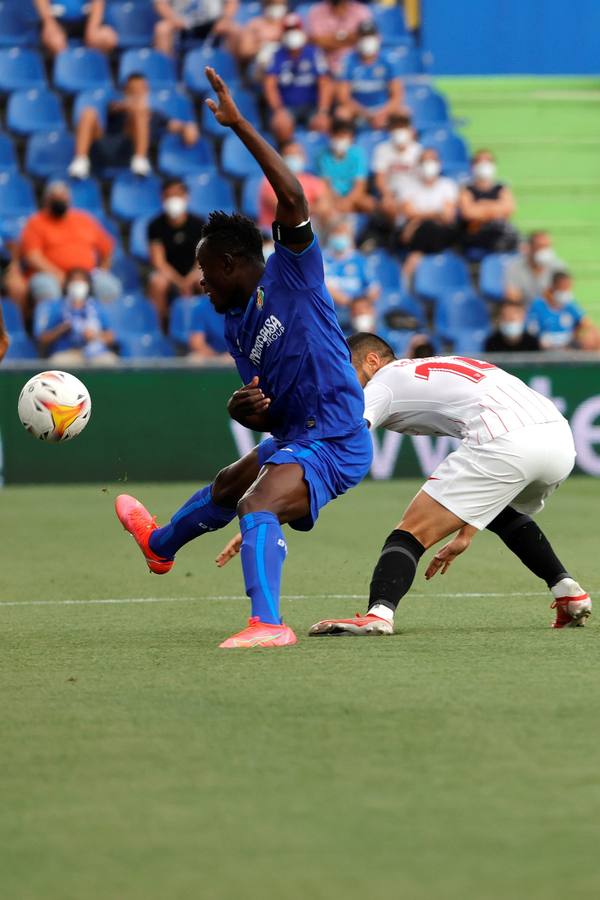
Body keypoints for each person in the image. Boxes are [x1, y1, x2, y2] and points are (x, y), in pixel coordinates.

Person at [115, 66, 372, 650]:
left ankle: (268, 624)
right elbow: (267, 408)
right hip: (297, 433)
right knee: (232, 483)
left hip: (335, 437)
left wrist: (239, 126)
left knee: (257, 501)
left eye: (205, 272)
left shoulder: (293, 272)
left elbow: (294, 197)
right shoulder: (235, 324)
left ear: (232, 263)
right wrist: (246, 408)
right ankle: (159, 547)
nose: (200, 283)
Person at [304, 334, 591, 634]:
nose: (340, 382)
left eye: (345, 369)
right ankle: (568, 592)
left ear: (372, 361)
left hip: (505, 437)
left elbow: (347, 432)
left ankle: (379, 614)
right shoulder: (439, 364)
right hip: (559, 437)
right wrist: (467, 532)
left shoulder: (383, 382)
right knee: (503, 512)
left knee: (410, 533)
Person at [68, 73, 200, 180]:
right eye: (132, 90)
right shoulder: (116, 107)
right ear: (125, 91)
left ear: (146, 90)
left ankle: (140, 160)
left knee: (139, 114)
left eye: (140, 89)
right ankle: (80, 161)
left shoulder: (156, 115)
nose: (137, 93)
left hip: (128, 152)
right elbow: (115, 108)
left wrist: (187, 127)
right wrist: (132, 106)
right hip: (106, 148)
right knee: (88, 113)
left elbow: (176, 126)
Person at [19, 181, 121, 306]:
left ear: (69, 199)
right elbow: (33, 256)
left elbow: (107, 248)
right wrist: (57, 274)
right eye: (55, 197)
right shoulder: (36, 222)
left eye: (63, 196)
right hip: (50, 275)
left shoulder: (84, 219)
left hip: (86, 274)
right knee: (47, 289)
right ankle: (54, 325)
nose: (60, 200)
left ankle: (101, 323)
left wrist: (102, 270)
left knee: (109, 288)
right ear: (46, 200)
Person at [264, 14, 332, 144]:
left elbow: (325, 83)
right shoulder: (276, 54)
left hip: (312, 106)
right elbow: (269, 85)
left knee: (324, 125)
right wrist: (278, 110)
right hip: (287, 107)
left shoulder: (314, 53)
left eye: (295, 30)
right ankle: (286, 157)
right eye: (289, 31)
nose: (292, 34)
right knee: (281, 125)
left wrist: (323, 111)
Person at [147, 179, 206, 325]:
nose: (173, 199)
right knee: (157, 283)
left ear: (186, 197)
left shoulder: (198, 223)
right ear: (162, 198)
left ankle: (208, 324)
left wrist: (190, 278)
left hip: (193, 272)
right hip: (168, 274)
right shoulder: (155, 226)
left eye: (177, 195)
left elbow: (203, 256)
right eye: (169, 195)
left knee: (208, 280)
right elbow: (158, 262)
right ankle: (161, 328)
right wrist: (180, 282)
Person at [33, 268, 117, 365]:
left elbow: (111, 337)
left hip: (95, 352)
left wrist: (94, 336)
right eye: (74, 280)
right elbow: (42, 339)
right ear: (67, 284)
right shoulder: (56, 307)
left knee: (109, 361)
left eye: (82, 281)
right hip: (67, 352)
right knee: (57, 362)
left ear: (88, 285)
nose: (78, 284)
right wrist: (63, 328)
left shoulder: (96, 306)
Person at [399, 147, 459, 281]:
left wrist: (416, 221)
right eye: (424, 161)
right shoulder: (408, 186)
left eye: (432, 160)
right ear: (418, 165)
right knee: (427, 228)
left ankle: (414, 260)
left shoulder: (448, 185)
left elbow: (448, 216)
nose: (429, 164)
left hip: (435, 232)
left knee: (429, 228)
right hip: (418, 234)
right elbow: (409, 213)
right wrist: (435, 213)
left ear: (439, 163)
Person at [336, 21, 403, 130]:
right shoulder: (348, 61)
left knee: (402, 113)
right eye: (363, 37)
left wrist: (382, 113)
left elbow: (397, 95)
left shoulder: (388, 60)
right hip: (358, 110)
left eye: (370, 36)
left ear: (378, 38)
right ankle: (348, 144)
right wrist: (366, 114)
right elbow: (343, 97)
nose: (367, 41)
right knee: (342, 114)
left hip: (383, 108)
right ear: (357, 40)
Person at [258, 141, 330, 234]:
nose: (294, 158)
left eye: (297, 154)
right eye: (290, 155)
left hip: (308, 233)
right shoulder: (270, 181)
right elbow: (288, 209)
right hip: (276, 234)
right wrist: (313, 208)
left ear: (304, 157)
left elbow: (325, 207)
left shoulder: (313, 181)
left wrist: (302, 208)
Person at [459, 149, 518, 258]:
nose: (484, 165)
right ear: (473, 166)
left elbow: (509, 209)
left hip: (498, 232)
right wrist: (496, 208)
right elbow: (468, 213)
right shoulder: (466, 189)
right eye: (479, 161)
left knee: (507, 232)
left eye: (488, 161)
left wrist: (481, 206)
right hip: (475, 234)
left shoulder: (502, 187)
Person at [323, 220, 378, 331]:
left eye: (343, 233)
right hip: (333, 312)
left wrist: (363, 304)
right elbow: (327, 289)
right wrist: (352, 304)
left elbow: (374, 288)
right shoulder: (322, 259)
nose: (339, 237)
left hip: (359, 310)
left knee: (366, 321)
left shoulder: (359, 259)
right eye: (336, 233)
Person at [525, 271, 600, 351]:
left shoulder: (570, 304)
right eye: (563, 288)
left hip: (568, 349)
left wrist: (579, 335)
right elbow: (530, 331)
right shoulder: (538, 305)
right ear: (553, 287)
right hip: (543, 350)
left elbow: (587, 323)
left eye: (568, 288)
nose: (566, 292)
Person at [372, 112, 422, 229]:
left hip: (413, 194)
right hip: (392, 193)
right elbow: (379, 178)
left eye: (403, 128)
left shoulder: (418, 150)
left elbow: (421, 177)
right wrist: (387, 195)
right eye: (396, 128)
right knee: (388, 206)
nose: (400, 132)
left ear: (410, 131)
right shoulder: (382, 149)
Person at [317, 118, 375, 216]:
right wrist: (337, 201)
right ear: (331, 136)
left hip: (353, 198)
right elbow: (325, 185)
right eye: (338, 136)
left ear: (351, 138)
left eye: (344, 136)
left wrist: (348, 202)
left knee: (369, 203)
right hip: (332, 198)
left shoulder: (358, 154)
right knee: (321, 206)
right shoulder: (323, 156)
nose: (341, 139)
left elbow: (360, 185)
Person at [306, 0, 373, 76]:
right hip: (326, 71)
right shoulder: (316, 11)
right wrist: (349, 38)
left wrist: (330, 40)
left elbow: (368, 39)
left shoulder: (361, 11)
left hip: (357, 71)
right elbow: (317, 41)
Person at [154, 0, 239, 56]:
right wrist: (174, 19)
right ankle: (165, 74)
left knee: (234, 30)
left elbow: (232, 2)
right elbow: (161, 4)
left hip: (214, 22)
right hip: (181, 21)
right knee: (162, 29)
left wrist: (225, 19)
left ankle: (235, 75)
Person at [34, 0, 117, 56]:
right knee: (55, 41)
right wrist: (49, 23)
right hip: (56, 19)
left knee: (107, 39)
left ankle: (93, 72)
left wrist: (93, 28)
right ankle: (67, 75)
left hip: (86, 18)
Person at [505, 231, 565, 305]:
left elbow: (562, 293)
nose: (544, 251)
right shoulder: (514, 266)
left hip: (547, 309)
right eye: (540, 246)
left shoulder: (558, 267)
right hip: (523, 309)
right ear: (529, 248)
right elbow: (511, 294)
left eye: (547, 247)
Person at [171, 295, 231, 360]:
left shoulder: (241, 305)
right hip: (212, 355)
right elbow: (197, 342)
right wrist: (217, 358)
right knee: (194, 359)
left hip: (235, 355)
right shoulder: (201, 306)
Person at [235, 0, 287, 74]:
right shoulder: (254, 25)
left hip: (286, 67)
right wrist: (262, 46)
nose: (277, 7)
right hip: (260, 68)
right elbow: (244, 51)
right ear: (265, 5)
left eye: (280, 4)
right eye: (273, 4)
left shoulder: (291, 22)